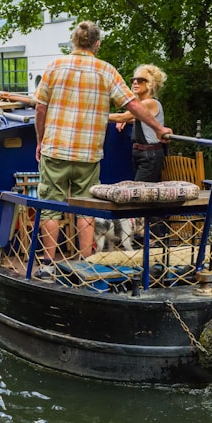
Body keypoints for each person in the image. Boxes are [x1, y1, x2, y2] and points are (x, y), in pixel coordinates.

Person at [33, 21, 172, 266]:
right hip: (88, 153)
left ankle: (47, 264)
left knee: (51, 206)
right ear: (97, 44)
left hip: (54, 148)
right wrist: (159, 128)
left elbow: (40, 108)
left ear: (73, 42)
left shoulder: (54, 67)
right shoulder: (106, 71)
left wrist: (40, 140)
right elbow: (132, 105)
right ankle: (87, 263)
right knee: (86, 207)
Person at [109, 64, 168, 183]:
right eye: (133, 80)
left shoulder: (150, 103)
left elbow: (123, 116)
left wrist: (96, 115)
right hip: (141, 153)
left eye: (140, 80)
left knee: (139, 192)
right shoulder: (143, 105)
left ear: (150, 83)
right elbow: (138, 119)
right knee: (141, 192)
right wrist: (126, 120)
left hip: (149, 154)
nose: (135, 82)